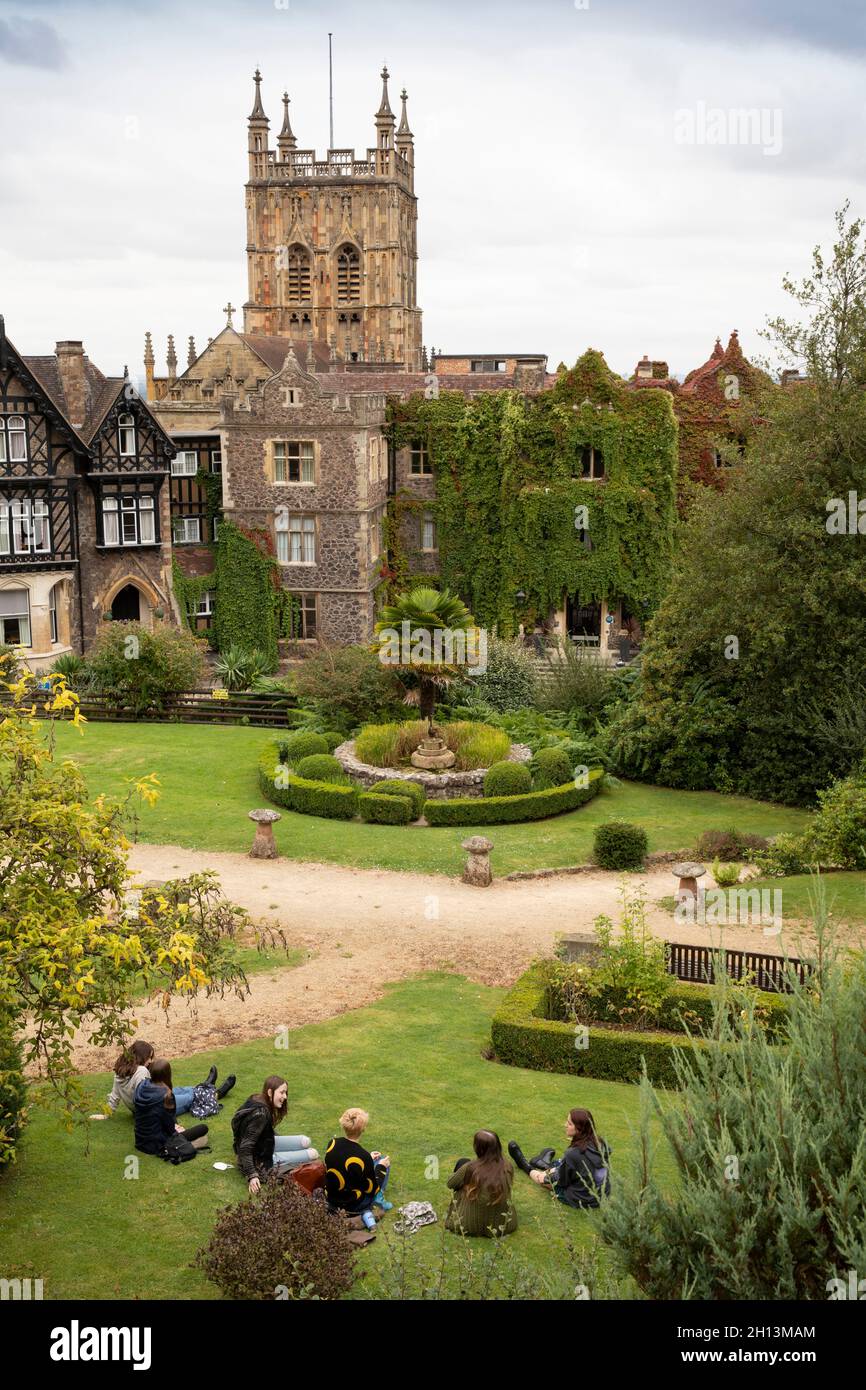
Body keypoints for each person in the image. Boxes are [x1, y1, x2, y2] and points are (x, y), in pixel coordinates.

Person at [508, 1108, 611, 1210]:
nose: (565, 1125)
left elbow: (561, 1181)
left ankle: (524, 1165)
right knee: (560, 1163)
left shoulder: (573, 1154)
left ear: (579, 1128)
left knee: (543, 1179)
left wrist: (544, 1176)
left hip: (581, 1199)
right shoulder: (601, 1143)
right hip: (602, 1195)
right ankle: (542, 1163)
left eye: (569, 1123)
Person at [231, 1076, 318, 1195]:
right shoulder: (261, 1114)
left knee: (305, 1141)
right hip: (259, 1160)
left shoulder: (256, 1098)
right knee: (313, 1154)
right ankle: (278, 1159)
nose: (285, 1097)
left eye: (285, 1093)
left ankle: (282, 1154)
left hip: (265, 1145)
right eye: (282, 1092)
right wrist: (252, 1175)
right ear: (270, 1092)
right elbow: (245, 1147)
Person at [324, 1107, 392, 1232]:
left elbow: (345, 1164)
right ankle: (379, 1200)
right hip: (352, 1204)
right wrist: (381, 1166)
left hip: (332, 1199)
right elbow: (371, 1188)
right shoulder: (362, 1155)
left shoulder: (332, 1143)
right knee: (383, 1162)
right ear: (363, 1129)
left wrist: (369, 1159)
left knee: (374, 1162)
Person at [445, 1129, 517, 1237]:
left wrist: (461, 1177)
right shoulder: (507, 1167)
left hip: (466, 1225)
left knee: (462, 1162)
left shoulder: (470, 1167)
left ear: (479, 1148)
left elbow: (450, 1184)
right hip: (501, 1227)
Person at [133, 1058, 210, 1157]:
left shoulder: (141, 1086)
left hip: (140, 1141)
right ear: (167, 1074)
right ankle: (185, 1146)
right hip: (157, 1144)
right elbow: (169, 1127)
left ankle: (204, 1086)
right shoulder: (166, 1096)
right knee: (203, 1129)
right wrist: (176, 1130)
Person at [90, 1039, 154, 1119]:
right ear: (141, 1056)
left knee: (174, 1091)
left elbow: (114, 1096)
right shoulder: (141, 1071)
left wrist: (105, 1115)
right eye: (149, 1057)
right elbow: (145, 1098)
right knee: (173, 1094)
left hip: (138, 1112)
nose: (151, 1061)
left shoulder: (120, 1073)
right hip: (153, 1110)